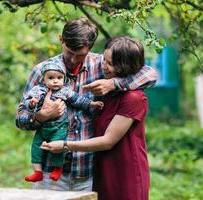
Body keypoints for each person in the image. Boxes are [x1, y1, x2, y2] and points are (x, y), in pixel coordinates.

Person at [16, 18, 157, 191]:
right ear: (61, 39)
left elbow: (150, 74)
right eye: (70, 52)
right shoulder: (42, 71)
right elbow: (20, 118)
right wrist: (40, 117)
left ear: (90, 48)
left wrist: (113, 84)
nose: (74, 60)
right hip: (49, 172)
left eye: (80, 54)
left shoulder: (102, 66)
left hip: (89, 172)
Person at [41, 36, 150, 200]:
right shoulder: (107, 91)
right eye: (104, 61)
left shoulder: (133, 98)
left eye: (110, 64)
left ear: (124, 66)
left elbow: (108, 141)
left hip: (125, 171)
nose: (103, 66)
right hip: (102, 168)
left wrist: (65, 145)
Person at [23, 61, 103, 182]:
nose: (55, 81)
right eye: (51, 78)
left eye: (59, 78)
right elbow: (27, 103)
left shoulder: (65, 91)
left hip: (60, 126)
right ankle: (37, 171)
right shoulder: (38, 90)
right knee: (36, 147)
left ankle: (57, 168)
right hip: (43, 127)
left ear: (64, 79)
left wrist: (92, 104)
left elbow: (78, 100)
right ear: (43, 79)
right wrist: (32, 103)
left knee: (57, 147)